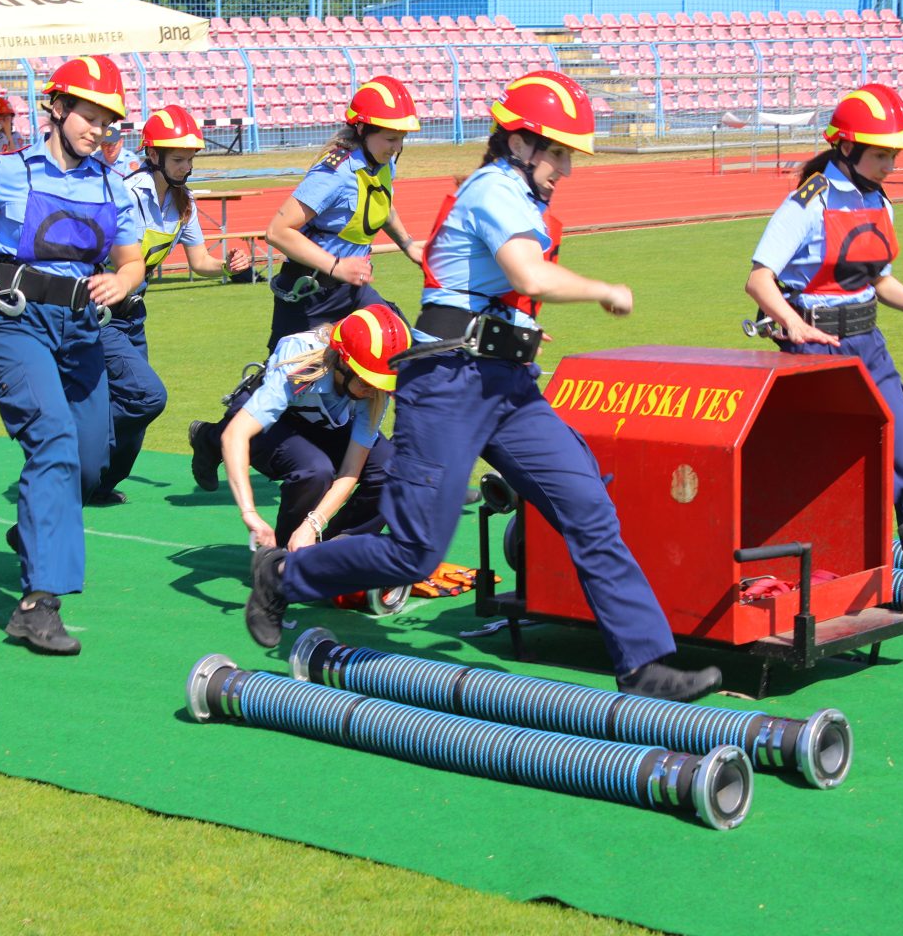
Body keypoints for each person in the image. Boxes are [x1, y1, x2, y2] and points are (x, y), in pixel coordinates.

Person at [243, 70, 724, 702]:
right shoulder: (495, 188)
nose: (566, 169)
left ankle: (645, 665)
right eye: (558, 153)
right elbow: (531, 272)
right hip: (448, 382)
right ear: (520, 144)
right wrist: (606, 290)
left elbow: (501, 289)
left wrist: (518, 331)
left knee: (590, 511)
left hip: (508, 384)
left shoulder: (522, 199)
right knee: (416, 552)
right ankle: (284, 574)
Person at [746, 83, 903, 640]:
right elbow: (760, 278)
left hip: (870, 348)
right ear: (847, 148)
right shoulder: (808, 200)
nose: (891, 163)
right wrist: (795, 324)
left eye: (894, 154)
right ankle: (798, 597)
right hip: (814, 355)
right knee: (816, 482)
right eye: (881, 154)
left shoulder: (878, 198)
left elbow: (877, 280)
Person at [0, 55, 144, 655]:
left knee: (92, 465)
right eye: (88, 116)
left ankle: (37, 529)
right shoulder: (0, 173)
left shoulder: (112, 184)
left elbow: (131, 259)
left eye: (107, 121)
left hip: (82, 329)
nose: (98, 130)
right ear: (56, 108)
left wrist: (124, 282)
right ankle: (39, 604)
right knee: (52, 443)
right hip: (16, 323)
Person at [92, 105, 251, 505]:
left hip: (134, 316)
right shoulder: (126, 193)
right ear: (153, 155)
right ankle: (74, 455)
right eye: (178, 159)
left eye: (190, 159)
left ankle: (99, 484)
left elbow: (199, 262)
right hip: (99, 315)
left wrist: (229, 266)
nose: (186, 166)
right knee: (146, 396)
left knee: (137, 417)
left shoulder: (184, 203)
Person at [222, 305, 407, 550]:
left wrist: (313, 525)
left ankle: (335, 551)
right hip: (272, 421)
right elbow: (235, 434)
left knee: (392, 469)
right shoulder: (301, 356)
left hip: (322, 422)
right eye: (367, 380)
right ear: (343, 362)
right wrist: (250, 513)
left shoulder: (374, 389)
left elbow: (351, 468)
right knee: (314, 470)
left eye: (380, 383)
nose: (373, 389)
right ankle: (282, 559)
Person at [265, 76, 427, 350]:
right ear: (363, 129)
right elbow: (277, 232)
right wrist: (337, 266)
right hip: (309, 295)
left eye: (402, 139)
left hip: (351, 291)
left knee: (397, 347)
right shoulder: (335, 173)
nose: (397, 147)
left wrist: (408, 244)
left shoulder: (383, 164)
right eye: (390, 138)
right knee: (290, 381)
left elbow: (379, 204)